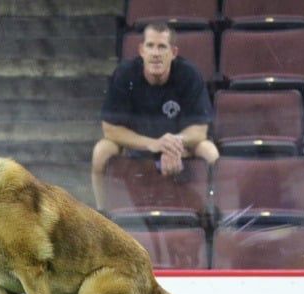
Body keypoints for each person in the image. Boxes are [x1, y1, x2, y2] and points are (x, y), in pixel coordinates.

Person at [91, 23, 219, 209]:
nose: (156, 53)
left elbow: (199, 130)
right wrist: (152, 144)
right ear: (141, 50)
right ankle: (102, 215)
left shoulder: (190, 74)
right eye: (150, 46)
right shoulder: (125, 74)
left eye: (162, 47)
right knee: (100, 152)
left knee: (210, 152)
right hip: (137, 145)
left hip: (179, 147)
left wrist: (173, 144)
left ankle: (211, 215)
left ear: (173, 52)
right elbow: (110, 129)